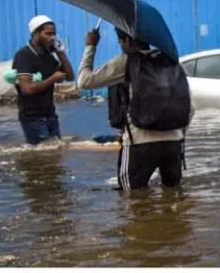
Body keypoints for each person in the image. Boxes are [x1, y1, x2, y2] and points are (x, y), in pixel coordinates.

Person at [78, 28, 192, 190]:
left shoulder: (126, 61)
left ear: (127, 41)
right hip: (173, 142)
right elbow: (188, 105)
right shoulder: (171, 62)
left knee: (131, 199)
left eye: (120, 42)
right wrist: (177, 133)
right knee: (174, 195)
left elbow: (84, 81)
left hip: (139, 142)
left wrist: (90, 46)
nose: (121, 46)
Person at [12, 15, 75, 145]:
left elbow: (69, 76)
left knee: (55, 154)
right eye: (48, 34)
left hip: (50, 115)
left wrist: (61, 53)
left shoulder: (48, 55)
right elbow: (27, 89)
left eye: (54, 34)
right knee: (40, 157)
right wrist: (52, 79)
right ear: (35, 33)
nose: (52, 37)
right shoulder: (24, 56)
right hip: (33, 118)